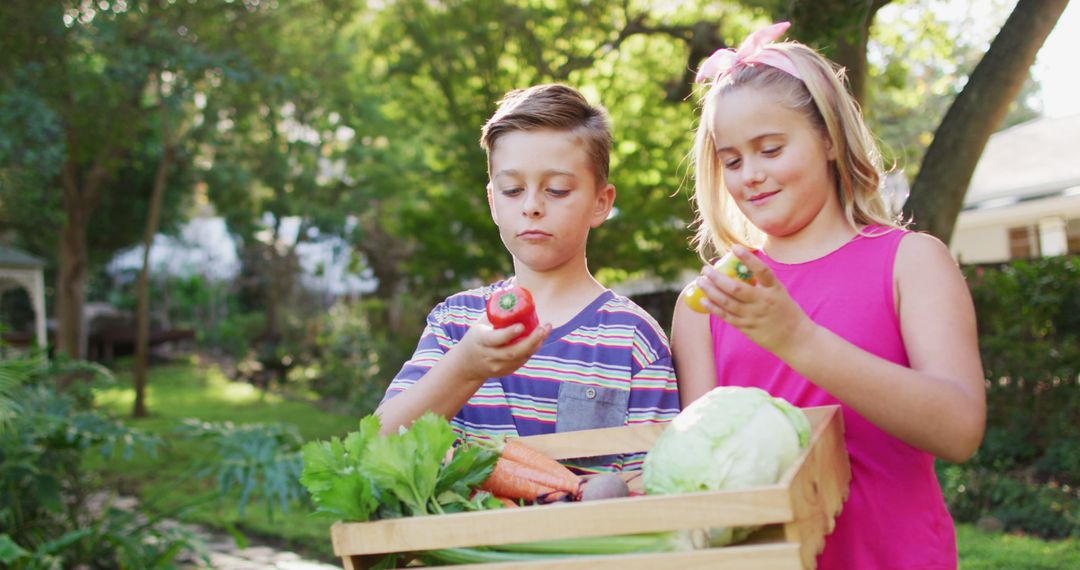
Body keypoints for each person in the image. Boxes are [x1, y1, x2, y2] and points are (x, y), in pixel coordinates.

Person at [671, 22, 986, 568]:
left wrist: (795, 338)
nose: (751, 176)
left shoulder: (910, 263)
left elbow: (959, 429)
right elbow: (703, 488)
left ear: (828, 139)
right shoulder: (707, 304)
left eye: (770, 149)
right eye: (732, 159)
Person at [376, 84, 680, 472]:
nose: (532, 206)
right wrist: (465, 367)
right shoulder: (455, 324)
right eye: (513, 190)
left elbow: (657, 481)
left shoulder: (633, 338)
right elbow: (377, 448)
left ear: (600, 203)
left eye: (557, 190)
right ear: (493, 203)